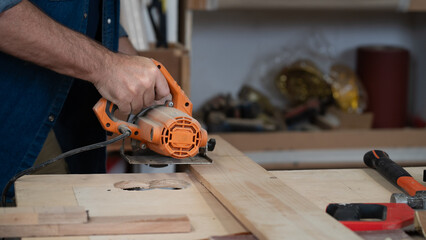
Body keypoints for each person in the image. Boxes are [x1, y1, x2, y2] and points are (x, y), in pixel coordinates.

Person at [0, 0, 171, 200]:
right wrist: (107, 66)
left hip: (77, 128)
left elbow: (89, 12)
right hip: (20, 120)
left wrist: (141, 78)